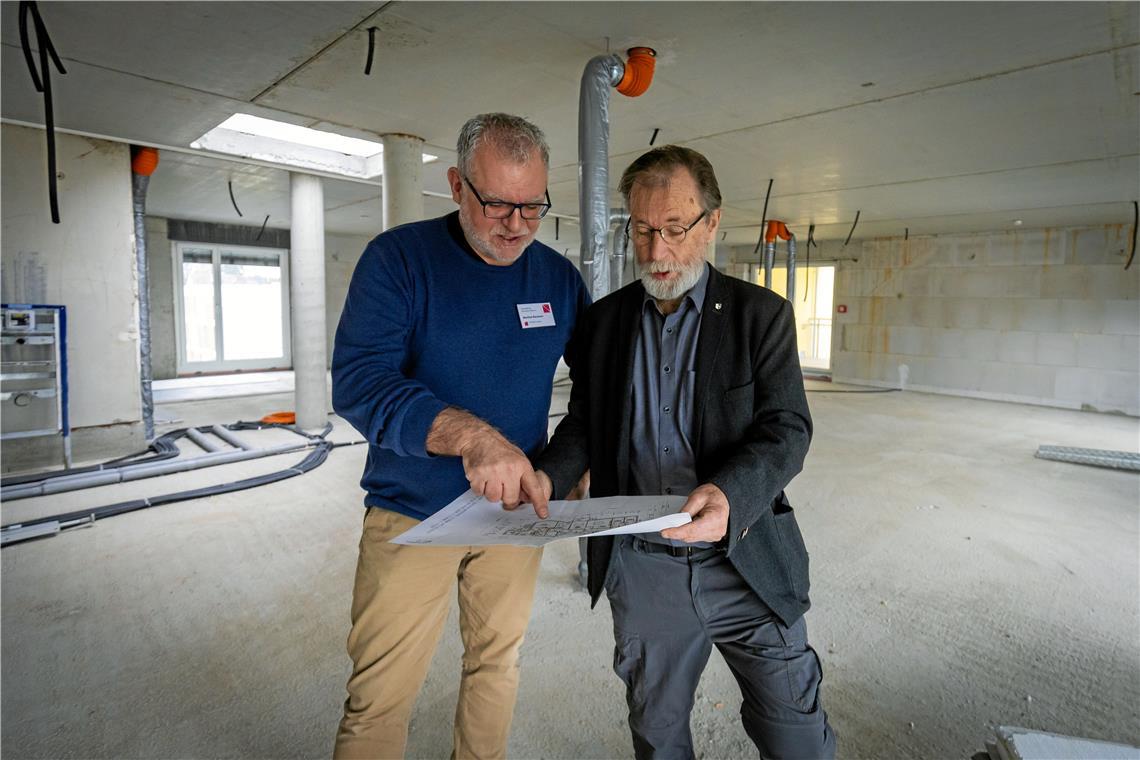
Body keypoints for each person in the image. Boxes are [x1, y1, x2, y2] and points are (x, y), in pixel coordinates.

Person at [535, 145, 836, 759]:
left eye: (674, 228)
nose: (656, 250)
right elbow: (587, 422)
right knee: (658, 732)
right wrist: (550, 475)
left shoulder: (761, 316)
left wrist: (729, 495)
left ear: (712, 223)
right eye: (642, 229)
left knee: (797, 736)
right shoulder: (604, 324)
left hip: (747, 558)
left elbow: (787, 429)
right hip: (646, 567)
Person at [331, 113, 589, 759]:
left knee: (496, 667)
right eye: (498, 203)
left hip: (513, 513)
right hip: (410, 515)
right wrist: (472, 438)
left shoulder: (557, 279)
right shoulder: (398, 260)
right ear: (455, 184)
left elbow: (595, 395)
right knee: (379, 696)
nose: (517, 225)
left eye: (534, 206)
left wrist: (555, 472)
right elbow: (360, 381)